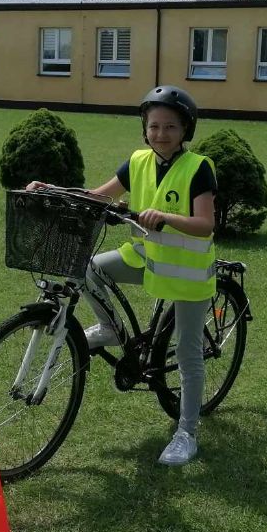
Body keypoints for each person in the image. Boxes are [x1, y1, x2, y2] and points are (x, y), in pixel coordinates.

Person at [27, 86, 217, 465]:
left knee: (189, 355)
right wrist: (55, 189)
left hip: (188, 273)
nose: (161, 134)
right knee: (90, 267)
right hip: (144, 258)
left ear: (186, 131)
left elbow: (204, 225)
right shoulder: (137, 162)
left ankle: (187, 433)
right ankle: (111, 329)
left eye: (170, 127)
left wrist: (165, 218)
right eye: (154, 126)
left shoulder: (199, 167)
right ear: (144, 128)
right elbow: (99, 196)